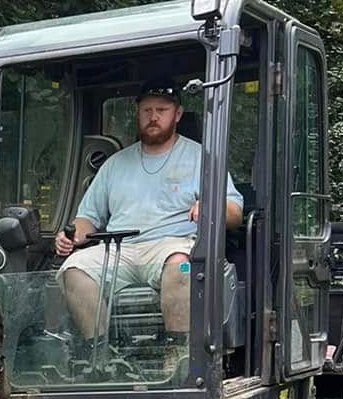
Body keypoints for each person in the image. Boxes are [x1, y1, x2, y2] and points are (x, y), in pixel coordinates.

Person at [55, 84, 242, 364]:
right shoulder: (115, 164)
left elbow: (235, 213)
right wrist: (71, 236)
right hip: (120, 249)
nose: (153, 117)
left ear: (177, 114)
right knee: (73, 269)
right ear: (137, 113)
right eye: (147, 110)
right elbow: (88, 219)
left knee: (182, 265)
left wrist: (211, 207)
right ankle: (102, 356)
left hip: (173, 246)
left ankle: (178, 356)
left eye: (162, 110)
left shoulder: (201, 158)